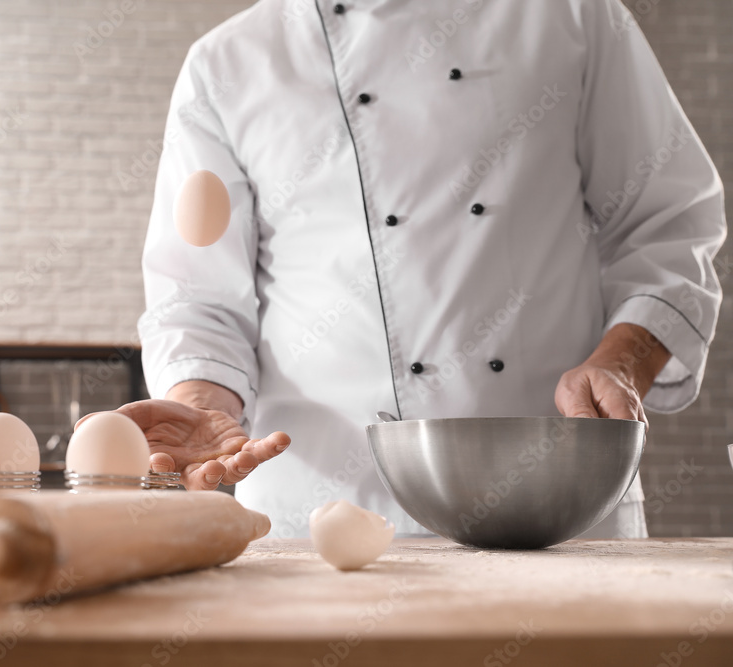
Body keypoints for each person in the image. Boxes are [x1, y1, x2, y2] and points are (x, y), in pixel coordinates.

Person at [110, 0, 726, 539]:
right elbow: (199, 298)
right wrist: (198, 405)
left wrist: (620, 361)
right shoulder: (227, 65)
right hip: (320, 514)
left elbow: (670, 221)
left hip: (554, 497)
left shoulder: (572, 14)